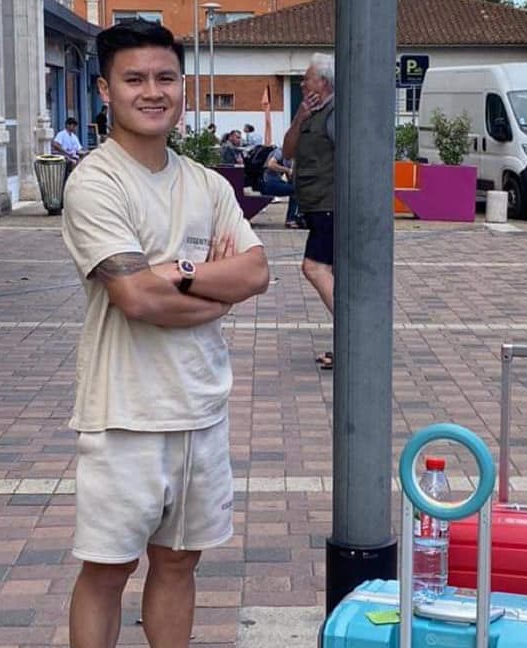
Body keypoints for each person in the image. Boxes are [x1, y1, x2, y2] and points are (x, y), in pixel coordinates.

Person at [60, 19, 269, 648]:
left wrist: (177, 273)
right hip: (124, 414)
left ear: (182, 85)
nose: (152, 92)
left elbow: (256, 272)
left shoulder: (206, 183)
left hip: (201, 408)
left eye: (166, 78)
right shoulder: (96, 182)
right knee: (108, 569)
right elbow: (133, 297)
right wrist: (212, 290)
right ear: (105, 90)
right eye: (135, 79)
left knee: (180, 562)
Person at [282, 52, 335, 369]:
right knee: (332, 274)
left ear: (324, 83)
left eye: (307, 78)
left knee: (314, 268)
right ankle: (350, 342)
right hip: (316, 205)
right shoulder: (309, 113)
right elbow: (288, 151)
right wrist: (299, 118)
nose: (302, 83)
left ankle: (354, 340)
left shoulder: (336, 113)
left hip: (331, 206)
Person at [260, 148, 300, 228]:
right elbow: (271, 164)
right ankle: (290, 219)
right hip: (268, 183)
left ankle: (293, 218)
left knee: (296, 190)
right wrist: (287, 170)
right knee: (296, 191)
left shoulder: (290, 159)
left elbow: (290, 178)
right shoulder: (279, 152)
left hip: (276, 182)